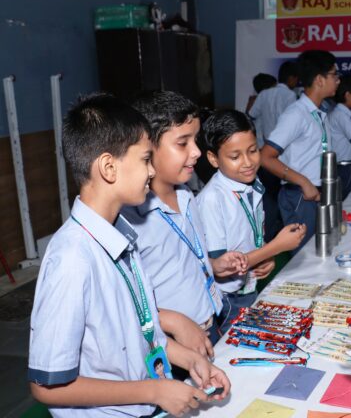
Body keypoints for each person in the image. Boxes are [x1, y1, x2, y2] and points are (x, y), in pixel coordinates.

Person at [28, 93, 229, 417]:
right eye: (145, 159)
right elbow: (47, 386)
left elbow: (139, 328)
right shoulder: (73, 258)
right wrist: (154, 390)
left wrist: (186, 358)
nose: (152, 172)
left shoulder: (120, 238)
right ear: (109, 167)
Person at [122, 91, 248, 350]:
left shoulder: (187, 195)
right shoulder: (130, 218)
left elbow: (182, 259)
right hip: (170, 344)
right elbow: (124, 304)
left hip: (209, 326)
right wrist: (174, 322)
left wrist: (213, 264)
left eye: (195, 140)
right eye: (183, 143)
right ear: (147, 147)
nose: (197, 152)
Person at [197, 109, 307, 331]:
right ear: (213, 158)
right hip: (228, 299)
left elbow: (248, 238)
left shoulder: (251, 184)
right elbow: (222, 267)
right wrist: (276, 248)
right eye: (235, 157)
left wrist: (264, 256)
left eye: (253, 151)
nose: (248, 162)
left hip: (249, 285)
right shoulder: (212, 199)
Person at [260, 50, 339, 250]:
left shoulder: (320, 112)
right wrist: (303, 182)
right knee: (304, 260)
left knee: (319, 253)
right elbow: (266, 157)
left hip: (316, 193)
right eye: (334, 75)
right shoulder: (296, 114)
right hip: (300, 196)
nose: (338, 80)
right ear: (320, 80)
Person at [249, 60, 301, 241]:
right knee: (284, 193)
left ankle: (269, 231)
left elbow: (252, 114)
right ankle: (281, 230)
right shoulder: (290, 97)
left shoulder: (264, 94)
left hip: (264, 150)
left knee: (267, 194)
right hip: (284, 153)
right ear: (293, 79)